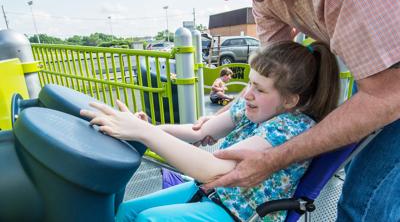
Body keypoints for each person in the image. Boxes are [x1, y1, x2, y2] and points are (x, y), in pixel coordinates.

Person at [192, 0, 400, 221]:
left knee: (364, 201)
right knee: (357, 179)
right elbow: (267, 75)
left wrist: (274, 158)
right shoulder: (263, 0)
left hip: (391, 80)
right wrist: (218, 118)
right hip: (381, 73)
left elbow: (387, 94)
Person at [80, 41, 340, 221]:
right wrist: (146, 127)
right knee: (126, 213)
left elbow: (213, 168)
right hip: (214, 193)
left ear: (290, 100)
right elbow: (198, 131)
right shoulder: (255, 107)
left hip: (240, 212)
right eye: (250, 83)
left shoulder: (291, 127)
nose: (247, 94)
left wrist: (143, 133)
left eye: (260, 89)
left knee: (150, 219)